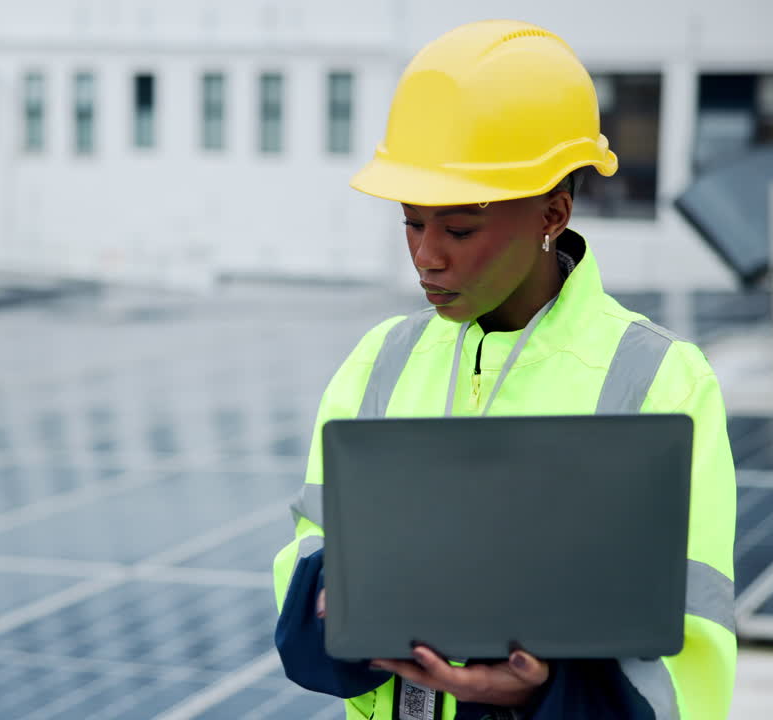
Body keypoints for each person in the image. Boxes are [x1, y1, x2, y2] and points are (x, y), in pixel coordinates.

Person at [270, 19, 736, 720]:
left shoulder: (660, 382)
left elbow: (689, 667)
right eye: (411, 221)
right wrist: (334, 606)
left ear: (554, 212)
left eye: (458, 228)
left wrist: (545, 693)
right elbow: (304, 595)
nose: (427, 255)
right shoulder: (381, 362)